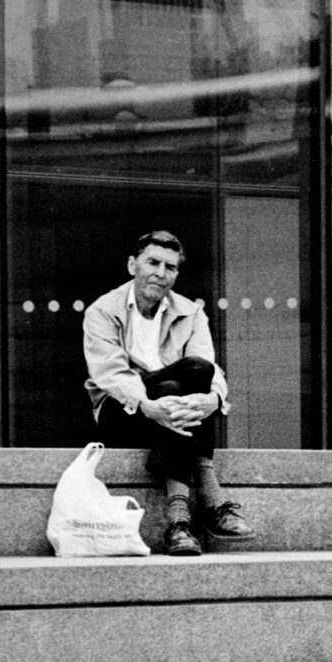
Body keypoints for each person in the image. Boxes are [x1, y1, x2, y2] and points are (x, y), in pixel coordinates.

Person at [81, 229, 255, 557]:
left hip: (171, 404)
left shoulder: (190, 312)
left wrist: (213, 400)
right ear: (133, 265)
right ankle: (210, 498)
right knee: (169, 388)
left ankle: (179, 524)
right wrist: (148, 405)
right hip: (122, 410)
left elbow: (209, 367)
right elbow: (111, 374)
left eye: (170, 267)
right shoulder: (102, 311)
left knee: (194, 373)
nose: (161, 273)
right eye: (153, 263)